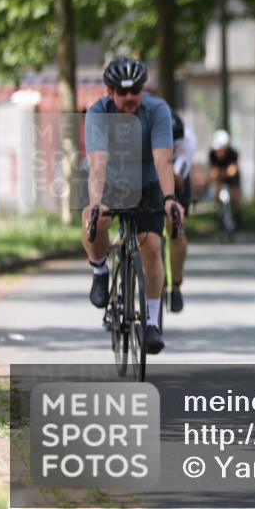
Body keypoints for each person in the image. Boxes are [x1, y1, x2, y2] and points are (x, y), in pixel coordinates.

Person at [81, 56, 186, 354]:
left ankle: (152, 323)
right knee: (94, 219)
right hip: (110, 180)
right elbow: (98, 164)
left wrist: (169, 199)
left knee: (152, 247)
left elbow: (162, 159)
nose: (129, 98)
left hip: (148, 183)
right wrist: (97, 203)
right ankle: (100, 270)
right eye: (122, 92)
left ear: (143, 89)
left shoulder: (157, 110)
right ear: (109, 92)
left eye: (135, 91)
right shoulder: (98, 113)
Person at [168, 111, 196, 313]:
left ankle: (176, 284)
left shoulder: (188, 140)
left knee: (176, 227)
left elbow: (178, 178)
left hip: (176, 181)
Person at [208, 129, 241, 224]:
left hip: (232, 179)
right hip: (220, 178)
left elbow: (233, 170)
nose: (219, 152)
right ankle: (217, 214)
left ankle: (237, 218)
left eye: (221, 150)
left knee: (235, 197)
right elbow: (213, 171)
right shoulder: (212, 154)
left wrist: (222, 172)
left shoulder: (233, 154)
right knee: (216, 193)